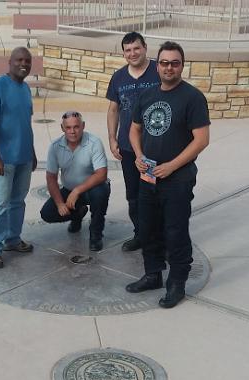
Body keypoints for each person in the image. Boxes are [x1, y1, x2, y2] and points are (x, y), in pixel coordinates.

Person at [125, 41, 210, 309]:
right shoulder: (147, 95)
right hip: (148, 177)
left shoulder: (193, 98)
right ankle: (153, 275)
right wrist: (138, 155)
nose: (169, 68)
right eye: (164, 63)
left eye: (174, 63)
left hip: (177, 180)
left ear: (182, 66)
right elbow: (134, 129)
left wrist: (172, 166)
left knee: (175, 232)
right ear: (157, 65)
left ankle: (177, 283)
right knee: (148, 229)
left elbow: (201, 139)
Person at [0, 47, 38, 269]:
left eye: (27, 61)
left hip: (24, 157)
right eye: (19, 60)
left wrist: (32, 152)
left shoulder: (25, 89)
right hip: (4, 159)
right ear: (10, 62)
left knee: (18, 201)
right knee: (1, 202)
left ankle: (12, 239)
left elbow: (26, 123)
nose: (23, 64)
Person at [106, 32, 160, 252]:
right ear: (123, 53)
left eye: (136, 48)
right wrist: (112, 138)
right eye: (128, 50)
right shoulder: (118, 77)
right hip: (128, 149)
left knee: (157, 194)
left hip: (156, 147)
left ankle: (160, 238)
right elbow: (113, 110)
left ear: (145, 47)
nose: (133, 53)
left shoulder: (158, 71)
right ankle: (141, 235)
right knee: (134, 196)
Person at [40, 111, 110, 251]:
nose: (72, 131)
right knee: (47, 213)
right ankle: (78, 213)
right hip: (68, 190)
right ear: (62, 128)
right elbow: (51, 178)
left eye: (76, 127)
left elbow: (101, 174)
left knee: (100, 193)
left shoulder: (94, 142)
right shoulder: (55, 147)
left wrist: (77, 191)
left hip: (92, 188)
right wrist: (60, 204)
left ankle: (96, 234)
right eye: (68, 127)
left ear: (83, 126)